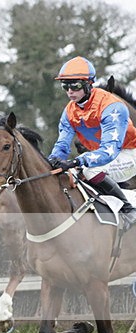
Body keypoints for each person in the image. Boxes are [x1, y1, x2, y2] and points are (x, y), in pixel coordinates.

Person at [48, 56, 136, 228]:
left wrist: (79, 160)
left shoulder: (112, 106)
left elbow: (110, 150)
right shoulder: (69, 111)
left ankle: (128, 209)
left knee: (90, 169)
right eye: (65, 86)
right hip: (99, 157)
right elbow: (62, 146)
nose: (70, 91)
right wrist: (51, 161)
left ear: (89, 84)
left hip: (128, 154)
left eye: (75, 85)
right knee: (70, 174)